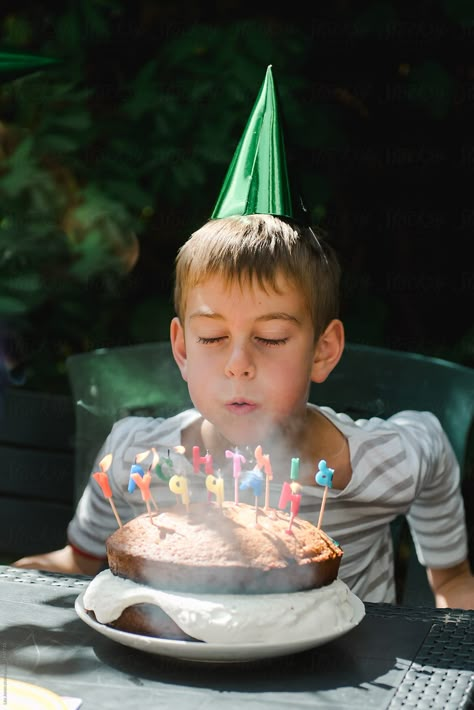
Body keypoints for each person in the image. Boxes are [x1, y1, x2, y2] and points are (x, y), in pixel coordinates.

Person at [13, 67, 474, 609]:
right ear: (181, 349)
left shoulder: (377, 464)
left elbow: (432, 446)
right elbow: (79, 563)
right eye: (211, 338)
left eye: (273, 338)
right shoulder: (138, 457)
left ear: (323, 350)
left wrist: (449, 578)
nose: (238, 364)